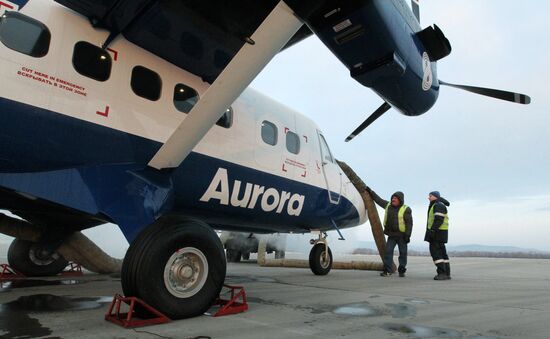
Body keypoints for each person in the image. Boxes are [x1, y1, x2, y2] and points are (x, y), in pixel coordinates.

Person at [365, 187, 413, 277]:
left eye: (395, 198)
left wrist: (407, 235)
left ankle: (402, 270)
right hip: (392, 235)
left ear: (400, 200)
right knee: (388, 251)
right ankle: (387, 270)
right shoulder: (388, 205)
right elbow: (378, 200)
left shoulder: (406, 209)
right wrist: (371, 192)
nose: (393, 199)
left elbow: (409, 224)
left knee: (403, 253)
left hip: (402, 236)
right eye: (392, 198)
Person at [425, 191, 451, 280]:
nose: (428, 198)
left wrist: (432, 230)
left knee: (435, 252)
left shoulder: (438, 205)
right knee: (442, 253)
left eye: (430, 196)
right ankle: (446, 273)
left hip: (437, 233)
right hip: (441, 232)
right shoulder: (438, 205)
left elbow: (439, 219)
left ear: (435, 197)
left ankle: (442, 272)